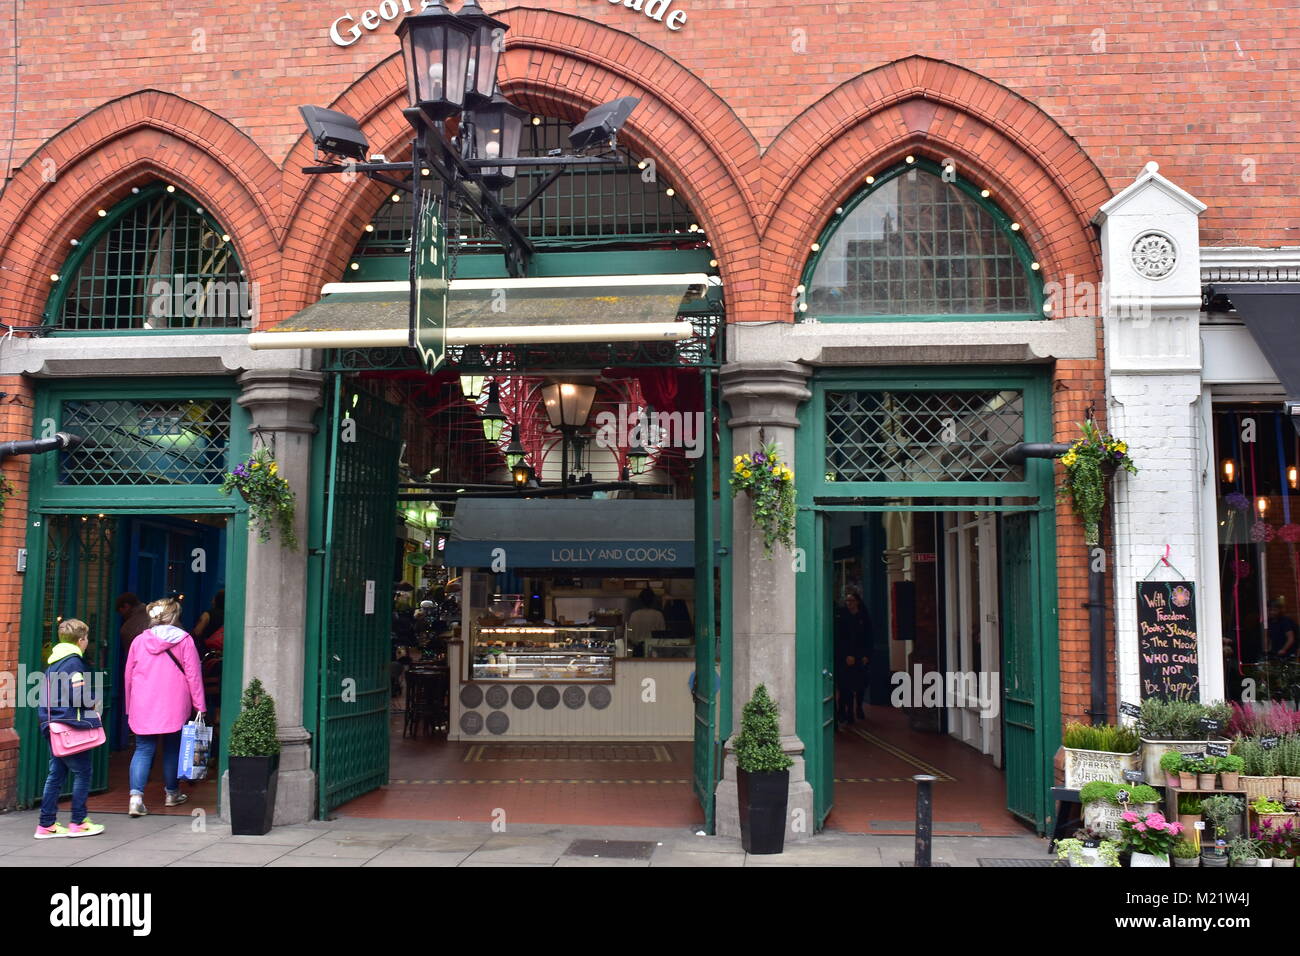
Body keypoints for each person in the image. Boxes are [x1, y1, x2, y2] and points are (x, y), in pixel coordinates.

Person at [123, 597, 206, 817]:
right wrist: (199, 705)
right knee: (171, 748)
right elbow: (193, 675)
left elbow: (129, 675)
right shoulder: (185, 640)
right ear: (174, 616)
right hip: (174, 702)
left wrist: (129, 704)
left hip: (143, 702)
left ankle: (136, 799)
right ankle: (172, 793)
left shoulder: (138, 641)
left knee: (143, 749)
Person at [34, 619, 105, 839]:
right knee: (83, 773)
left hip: (51, 724)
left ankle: (46, 825)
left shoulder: (53, 661)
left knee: (55, 774)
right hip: (69, 726)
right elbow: (77, 696)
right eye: (86, 639)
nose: (87, 644)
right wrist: (94, 702)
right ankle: (79, 822)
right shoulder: (74, 662)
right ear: (81, 640)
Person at [834, 590, 871, 726]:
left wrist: (866, 655)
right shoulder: (842, 616)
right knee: (845, 687)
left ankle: (858, 707)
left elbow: (868, 636)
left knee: (860, 684)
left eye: (851, 601)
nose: (849, 603)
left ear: (857, 602)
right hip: (845, 657)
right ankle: (846, 712)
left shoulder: (863, 616)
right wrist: (847, 655)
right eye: (847, 601)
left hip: (860, 656)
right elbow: (841, 638)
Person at [626, 587, 666, 656]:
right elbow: (662, 634)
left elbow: (630, 635)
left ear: (640, 601)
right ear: (653, 600)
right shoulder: (658, 615)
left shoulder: (634, 614)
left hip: (638, 649)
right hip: (653, 649)